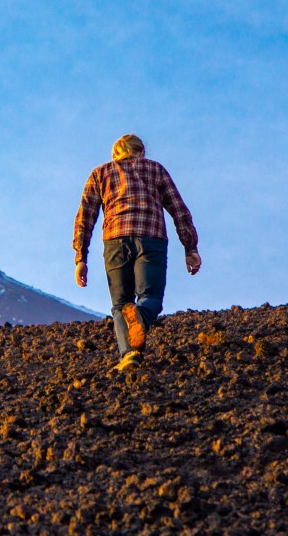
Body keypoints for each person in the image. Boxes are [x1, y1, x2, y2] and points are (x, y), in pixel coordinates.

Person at [73, 134, 201, 371]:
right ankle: (140, 317)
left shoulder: (100, 173)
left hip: (115, 241)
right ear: (141, 151)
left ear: (115, 155)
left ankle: (129, 355)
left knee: (121, 303)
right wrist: (190, 247)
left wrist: (81, 257)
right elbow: (179, 209)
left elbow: (85, 217)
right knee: (150, 297)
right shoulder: (156, 170)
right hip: (151, 238)